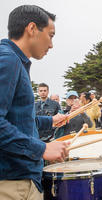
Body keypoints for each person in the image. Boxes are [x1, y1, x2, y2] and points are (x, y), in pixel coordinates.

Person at [0, 5, 69, 199]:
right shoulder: (8, 60)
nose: (51, 45)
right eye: (51, 35)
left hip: (20, 179)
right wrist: (42, 148)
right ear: (31, 29)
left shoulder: (15, 61)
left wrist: (51, 121)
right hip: (12, 183)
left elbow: (18, 120)